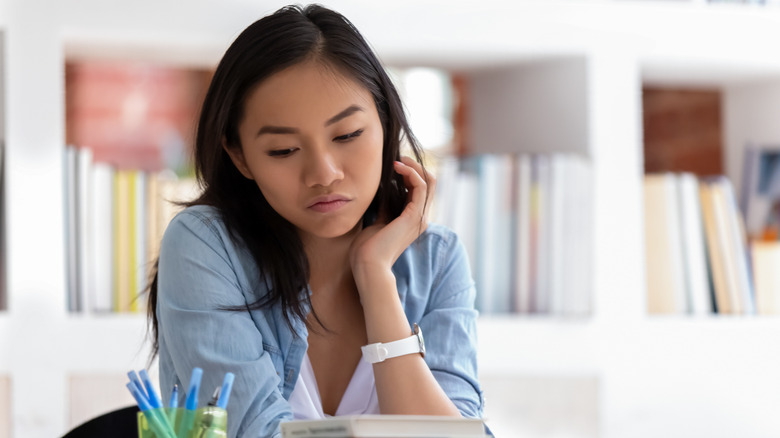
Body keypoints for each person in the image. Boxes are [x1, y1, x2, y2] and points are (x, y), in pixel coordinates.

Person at [146, 4, 484, 437]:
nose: (323, 174)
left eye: (347, 136)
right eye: (283, 150)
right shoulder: (206, 246)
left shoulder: (436, 259)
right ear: (240, 156)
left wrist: (375, 275)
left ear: (385, 125)